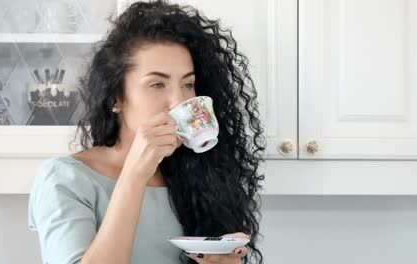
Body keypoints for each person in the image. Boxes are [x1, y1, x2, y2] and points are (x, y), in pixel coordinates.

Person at [28, 1, 266, 263]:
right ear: (116, 97)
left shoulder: (195, 175)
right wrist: (134, 172)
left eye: (188, 84)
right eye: (157, 84)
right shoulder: (65, 178)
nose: (179, 101)